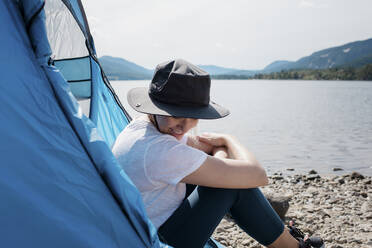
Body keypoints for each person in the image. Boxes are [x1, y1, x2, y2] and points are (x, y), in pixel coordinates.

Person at [112, 59, 324, 248]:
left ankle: (288, 240)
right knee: (230, 188)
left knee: (223, 177)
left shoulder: (143, 127)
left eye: (192, 117)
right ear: (156, 108)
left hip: (137, 231)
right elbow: (258, 175)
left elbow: (205, 148)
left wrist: (218, 162)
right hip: (153, 241)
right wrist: (229, 140)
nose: (183, 126)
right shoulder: (159, 150)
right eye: (176, 115)